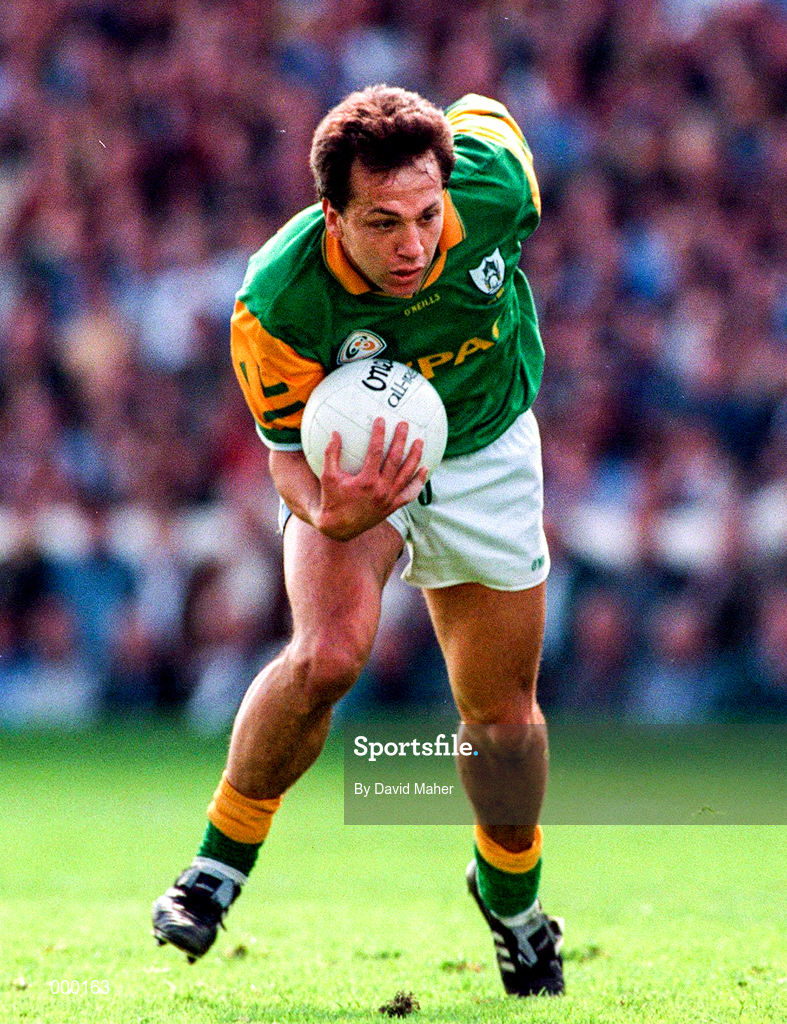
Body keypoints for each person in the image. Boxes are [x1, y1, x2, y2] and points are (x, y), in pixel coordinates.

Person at [152, 84, 564, 998]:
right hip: (347, 472)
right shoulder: (277, 300)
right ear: (329, 212)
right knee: (327, 654)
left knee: (500, 726)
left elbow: (484, 110)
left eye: (425, 213)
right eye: (381, 222)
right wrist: (326, 512)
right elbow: (282, 458)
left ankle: (515, 905)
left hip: (486, 452)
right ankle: (217, 864)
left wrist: (444, 124)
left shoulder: (496, 186)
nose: (412, 244)